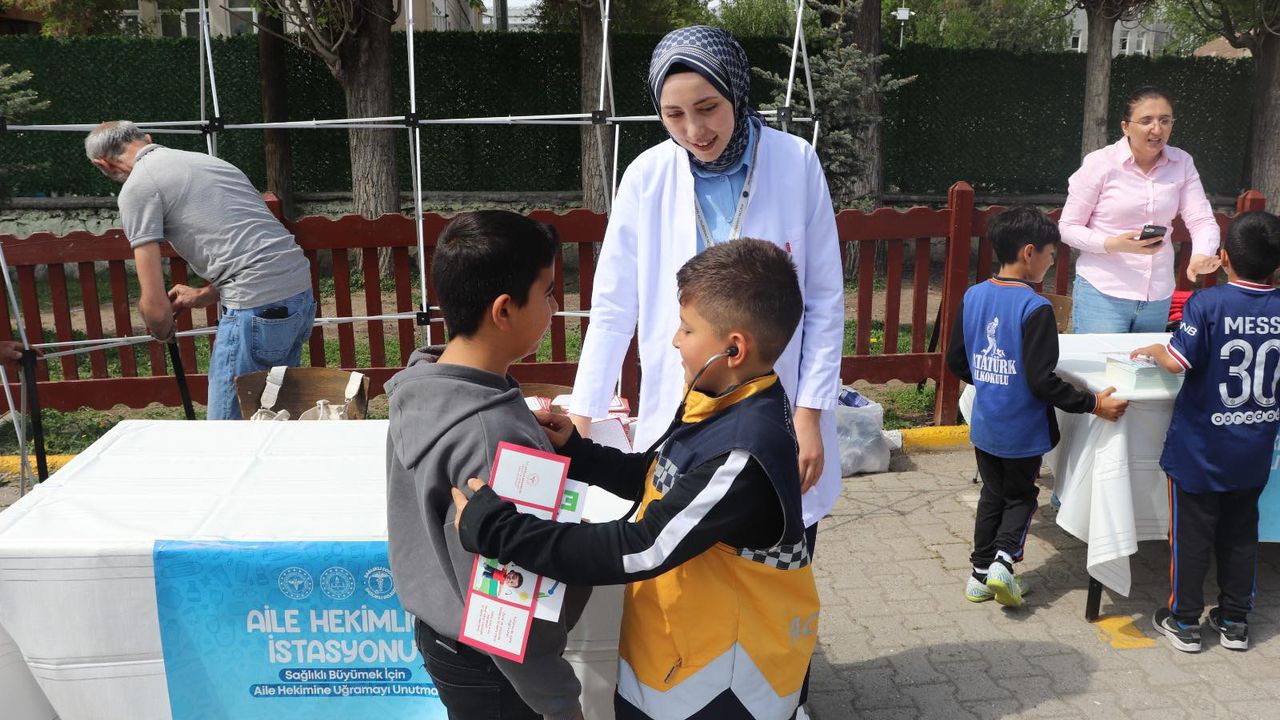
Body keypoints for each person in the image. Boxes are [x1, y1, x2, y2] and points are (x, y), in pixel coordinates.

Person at [452, 239, 819, 720]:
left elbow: (642, 546)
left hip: (723, 685)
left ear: (733, 349)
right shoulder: (724, 401)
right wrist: (579, 454)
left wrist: (502, 532)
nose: (674, 340)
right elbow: (660, 478)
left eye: (687, 329)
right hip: (677, 659)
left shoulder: (744, 451)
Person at [567, 26, 844, 543]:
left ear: (736, 92)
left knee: (772, 561)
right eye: (674, 115)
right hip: (682, 405)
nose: (695, 129)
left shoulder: (796, 163)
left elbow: (823, 302)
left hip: (772, 408)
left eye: (708, 107)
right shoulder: (646, 177)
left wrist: (808, 416)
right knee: (678, 555)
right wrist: (583, 419)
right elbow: (612, 307)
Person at [384, 211, 589, 720]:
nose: (553, 306)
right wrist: (560, 705)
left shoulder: (426, 383)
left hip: (444, 636)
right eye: (545, 293)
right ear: (503, 310)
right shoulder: (489, 436)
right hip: (500, 670)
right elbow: (510, 605)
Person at [946, 206, 1128, 607]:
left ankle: (978, 575)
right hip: (1023, 431)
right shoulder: (1036, 308)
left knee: (992, 495)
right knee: (1022, 497)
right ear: (1029, 252)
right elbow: (1042, 381)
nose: (1051, 261)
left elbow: (957, 362)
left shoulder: (973, 296)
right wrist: (1093, 402)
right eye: (1050, 254)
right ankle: (1003, 563)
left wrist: (994, 384)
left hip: (986, 423)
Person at [84, 121, 314, 420]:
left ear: (101, 163)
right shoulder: (210, 163)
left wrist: (161, 327)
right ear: (147, 140)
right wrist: (205, 295)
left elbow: (154, 303)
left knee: (226, 431)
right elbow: (255, 245)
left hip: (255, 306)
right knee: (272, 419)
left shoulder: (139, 186)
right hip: (298, 296)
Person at [1131, 210, 1280, 653]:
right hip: (1254, 448)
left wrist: (1158, 348)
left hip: (1201, 450)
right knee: (1240, 533)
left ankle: (1184, 621)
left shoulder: (1207, 304)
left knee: (1192, 537)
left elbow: (1179, 362)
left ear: (1224, 257)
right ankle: (1234, 621)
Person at [1059, 86, 1221, 333]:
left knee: (1145, 372)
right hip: (1103, 292)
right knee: (1101, 371)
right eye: (1146, 121)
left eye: (1165, 121)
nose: (1157, 129)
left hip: (1157, 295)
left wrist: (1201, 253)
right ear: (1126, 127)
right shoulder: (1100, 163)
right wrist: (1113, 244)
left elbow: (1201, 219)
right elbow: (1068, 227)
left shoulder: (1182, 162)